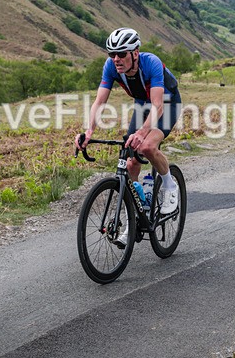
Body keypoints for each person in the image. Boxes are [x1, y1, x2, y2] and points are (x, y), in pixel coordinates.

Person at [76, 28, 183, 245]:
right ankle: (136, 212)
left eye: (122, 53)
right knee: (130, 159)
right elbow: (99, 102)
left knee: (146, 147)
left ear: (135, 52)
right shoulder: (111, 67)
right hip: (143, 106)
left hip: (167, 105)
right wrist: (89, 132)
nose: (116, 59)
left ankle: (170, 187)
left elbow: (158, 106)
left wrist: (142, 132)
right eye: (112, 54)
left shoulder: (151, 62)